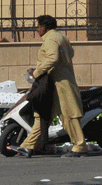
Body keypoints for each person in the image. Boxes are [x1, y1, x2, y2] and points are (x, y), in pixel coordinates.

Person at [10, 15, 87, 158]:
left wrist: (37, 73)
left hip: (60, 84)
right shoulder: (61, 37)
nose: (37, 29)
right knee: (42, 115)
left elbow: (53, 58)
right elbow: (70, 53)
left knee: (69, 115)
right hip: (54, 83)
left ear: (44, 27)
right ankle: (28, 146)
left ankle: (80, 146)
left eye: (38, 26)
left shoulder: (51, 39)